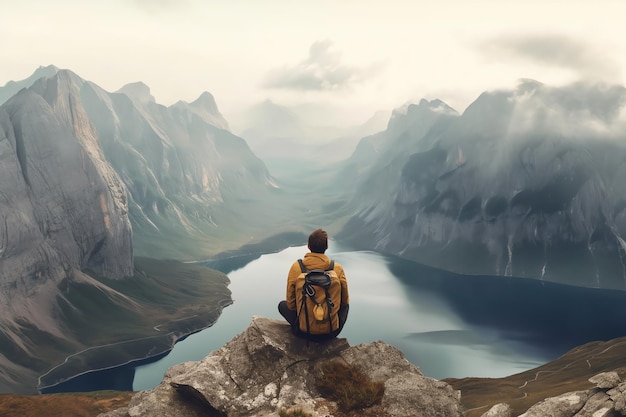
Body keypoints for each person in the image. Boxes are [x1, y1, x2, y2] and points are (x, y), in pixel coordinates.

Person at [278, 228, 349, 342]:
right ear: (326, 247)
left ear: (309, 246)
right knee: (346, 306)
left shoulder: (297, 268)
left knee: (282, 305)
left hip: (303, 332)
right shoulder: (337, 268)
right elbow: (344, 301)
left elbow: (291, 305)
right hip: (331, 331)